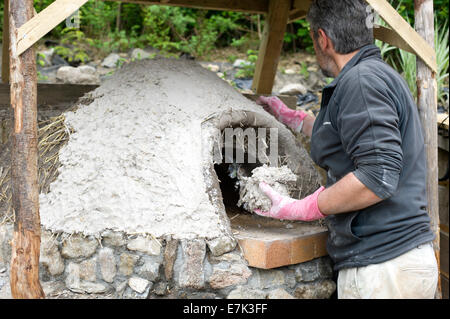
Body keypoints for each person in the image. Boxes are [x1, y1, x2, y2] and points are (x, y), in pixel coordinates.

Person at [255, 0, 438, 299]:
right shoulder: (375, 75)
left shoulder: (361, 82)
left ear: (323, 39)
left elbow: (377, 176)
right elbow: (354, 136)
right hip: (392, 264)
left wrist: (304, 207)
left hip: (384, 267)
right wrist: (298, 120)